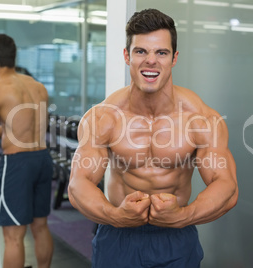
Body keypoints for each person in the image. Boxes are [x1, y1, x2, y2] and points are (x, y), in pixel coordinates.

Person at [68, 8, 238, 268]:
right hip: (118, 235)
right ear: (127, 56)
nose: (151, 61)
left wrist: (184, 216)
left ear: (174, 58)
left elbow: (227, 187)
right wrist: (115, 216)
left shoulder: (201, 118)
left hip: (176, 237)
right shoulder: (103, 117)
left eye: (161, 52)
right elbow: (78, 185)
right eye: (141, 51)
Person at [0, 34, 54, 268]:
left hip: (17, 165)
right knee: (40, 226)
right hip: (42, 160)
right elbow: (22, 128)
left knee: (13, 236)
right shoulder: (37, 87)